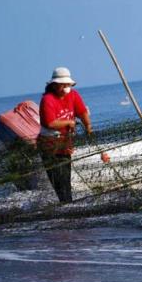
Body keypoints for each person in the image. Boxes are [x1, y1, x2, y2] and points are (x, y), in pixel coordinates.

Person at [38, 67, 95, 203]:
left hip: (65, 144)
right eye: (63, 84)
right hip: (50, 146)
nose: (65, 87)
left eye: (67, 84)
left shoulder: (73, 95)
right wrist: (69, 122)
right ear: (54, 85)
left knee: (66, 180)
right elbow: (50, 123)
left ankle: (68, 205)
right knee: (59, 182)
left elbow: (82, 112)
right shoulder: (47, 99)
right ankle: (66, 206)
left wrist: (88, 127)